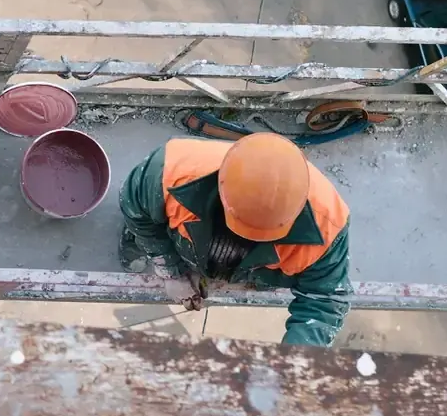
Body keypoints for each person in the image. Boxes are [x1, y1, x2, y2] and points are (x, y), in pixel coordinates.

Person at [118, 132, 351, 346]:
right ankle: (137, 243)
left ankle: (245, 274)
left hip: (259, 271)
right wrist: (169, 268)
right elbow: (136, 211)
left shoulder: (328, 226)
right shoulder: (169, 171)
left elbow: (324, 300)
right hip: (183, 241)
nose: (247, 238)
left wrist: (292, 363)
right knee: (145, 226)